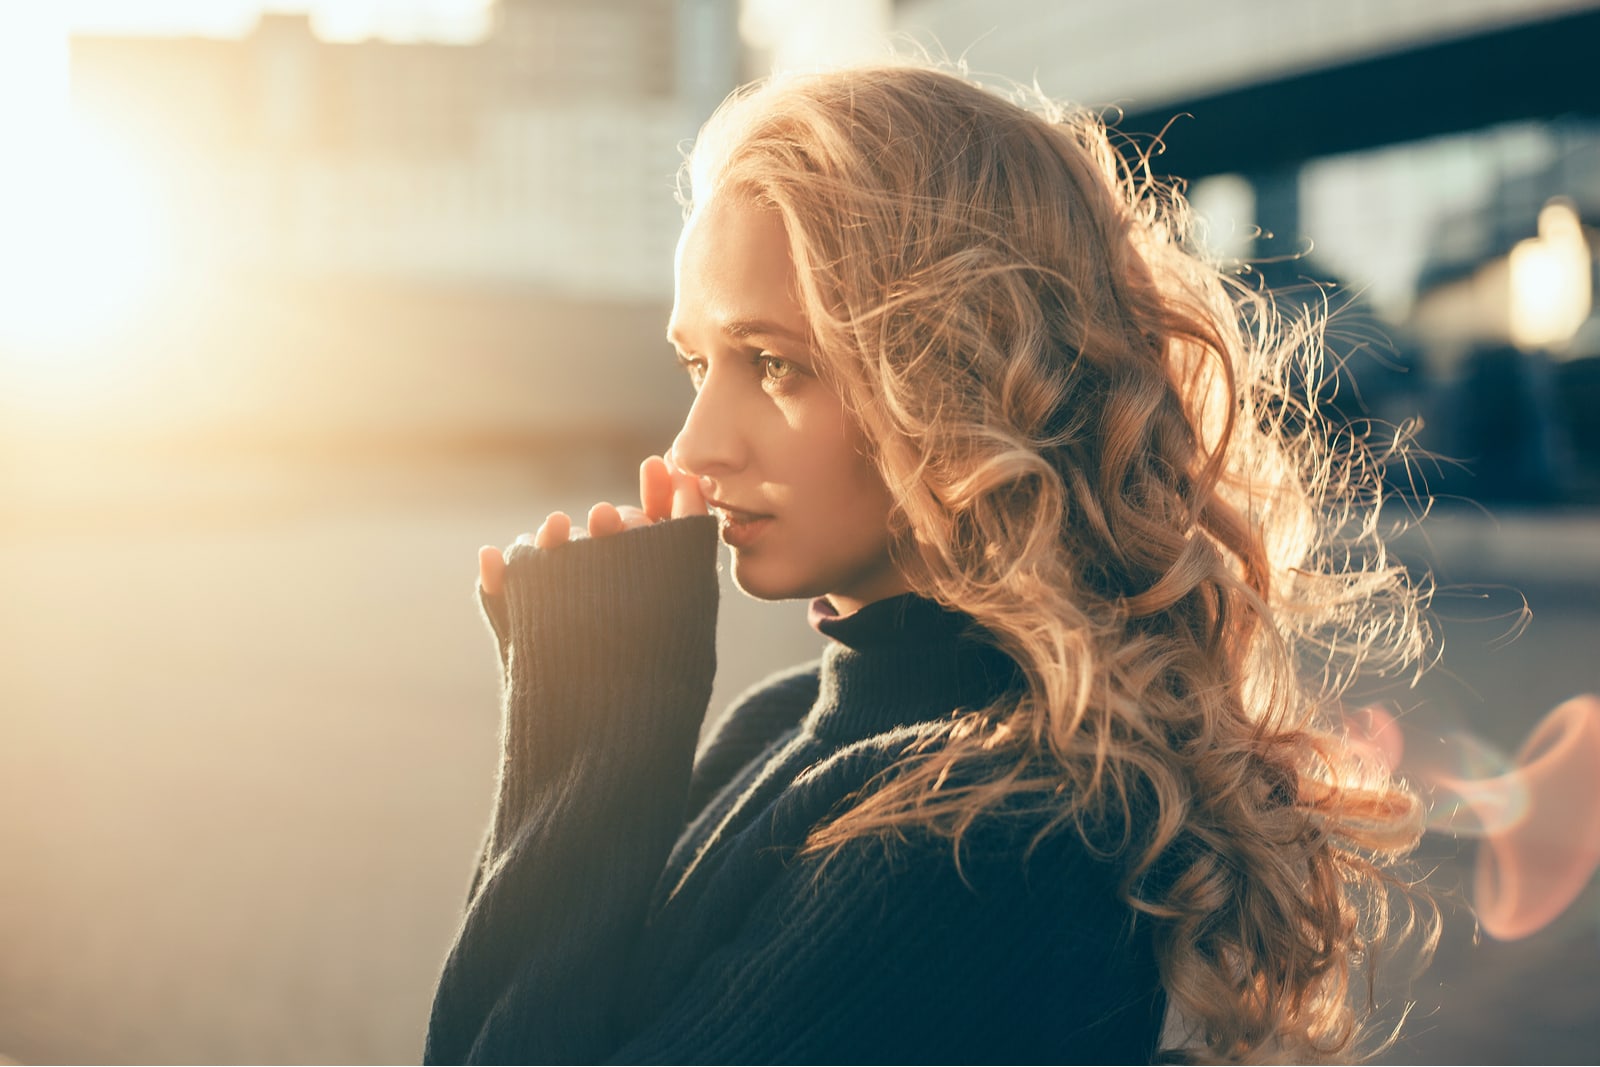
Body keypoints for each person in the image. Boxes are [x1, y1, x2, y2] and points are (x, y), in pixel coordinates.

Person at [424, 62, 1433, 1064]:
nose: (692, 448)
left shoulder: (985, 841)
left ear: (950, 373)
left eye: (773, 363)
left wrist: (595, 729)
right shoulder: (779, 723)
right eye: (699, 365)